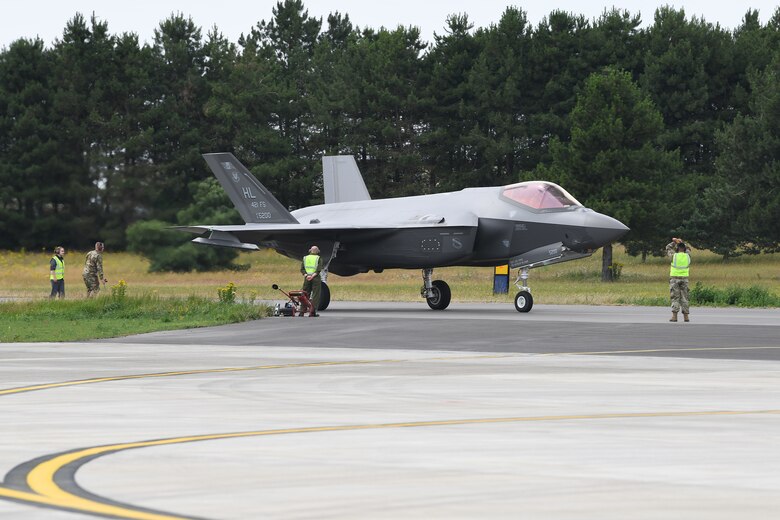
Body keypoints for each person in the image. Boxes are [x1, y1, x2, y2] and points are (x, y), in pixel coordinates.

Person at [666, 237, 691, 322]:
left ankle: (674, 317)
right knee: (685, 298)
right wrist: (681, 242)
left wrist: (674, 242)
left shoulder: (674, 256)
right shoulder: (688, 255)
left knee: (675, 297)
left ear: (677, 248)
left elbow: (668, 248)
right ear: (684, 249)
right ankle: (686, 317)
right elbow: (688, 248)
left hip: (674, 279)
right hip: (685, 279)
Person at [300, 245, 323, 317]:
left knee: (305, 294)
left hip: (307, 278)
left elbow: (302, 269)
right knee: (316, 295)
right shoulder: (318, 258)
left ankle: (302, 311)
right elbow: (318, 269)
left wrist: (307, 276)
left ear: (310, 250)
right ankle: (312, 312)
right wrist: (312, 276)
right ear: (317, 252)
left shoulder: (305, 258)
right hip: (315, 278)